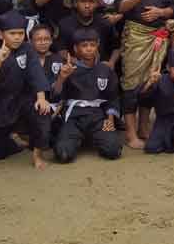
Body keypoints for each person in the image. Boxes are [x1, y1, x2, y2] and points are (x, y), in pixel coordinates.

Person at [118, 0, 174, 149]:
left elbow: (172, 6)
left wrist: (161, 11)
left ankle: (144, 127)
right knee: (131, 84)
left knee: (152, 82)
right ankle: (131, 134)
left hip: (159, 35)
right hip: (136, 35)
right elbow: (121, 7)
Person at [0, 11, 52, 169]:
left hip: (24, 99)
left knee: (43, 111)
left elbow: (36, 73)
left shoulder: (28, 50)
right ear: (1, 35)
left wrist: (41, 98)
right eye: (12, 33)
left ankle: (37, 155)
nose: (17, 37)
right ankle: (13, 143)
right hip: (0, 103)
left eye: (20, 33)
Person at [51, 27, 122, 163]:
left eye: (92, 45)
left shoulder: (105, 69)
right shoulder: (67, 69)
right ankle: (75, 138)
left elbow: (112, 97)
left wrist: (110, 119)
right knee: (63, 154)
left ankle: (93, 137)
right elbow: (56, 97)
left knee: (113, 151)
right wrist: (62, 78)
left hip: (97, 116)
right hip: (74, 116)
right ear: (76, 48)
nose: (89, 49)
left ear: (98, 46)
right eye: (84, 45)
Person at [58, 0, 119, 66]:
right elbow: (60, 50)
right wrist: (78, 64)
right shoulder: (65, 24)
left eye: (91, 2)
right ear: (75, 3)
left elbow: (116, 47)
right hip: (73, 70)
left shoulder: (105, 23)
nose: (87, 6)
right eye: (83, 1)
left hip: (100, 71)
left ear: (96, 4)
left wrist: (111, 63)